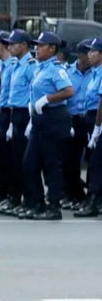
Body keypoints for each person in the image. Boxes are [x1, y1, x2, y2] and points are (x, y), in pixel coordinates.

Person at [18, 31, 74, 221]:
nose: (37, 49)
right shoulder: (41, 68)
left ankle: (53, 206)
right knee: (29, 163)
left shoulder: (56, 69)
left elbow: (68, 91)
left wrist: (48, 99)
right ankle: (37, 203)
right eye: (37, 45)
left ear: (52, 49)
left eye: (41, 46)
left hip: (54, 119)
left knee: (52, 164)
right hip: (39, 120)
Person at [3, 29, 36, 216]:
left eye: (13, 44)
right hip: (14, 114)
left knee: (25, 161)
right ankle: (16, 197)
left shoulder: (30, 65)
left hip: (25, 115)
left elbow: (33, 93)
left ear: (24, 45)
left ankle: (27, 198)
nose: (10, 47)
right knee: (14, 160)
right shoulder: (16, 64)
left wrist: (31, 120)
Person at [0, 30, 19, 213]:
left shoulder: (13, 65)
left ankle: (11, 195)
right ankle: (2, 192)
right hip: (0, 113)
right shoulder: (4, 65)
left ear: (2, 45)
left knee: (8, 158)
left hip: (10, 114)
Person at [63, 39, 91, 210]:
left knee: (92, 160)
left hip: (88, 120)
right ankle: (75, 195)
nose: (93, 56)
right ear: (81, 56)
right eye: (89, 53)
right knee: (70, 160)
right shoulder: (68, 72)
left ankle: (90, 197)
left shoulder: (95, 73)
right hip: (72, 120)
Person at [78, 39, 102, 217]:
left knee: (95, 164)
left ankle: (94, 201)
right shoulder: (95, 73)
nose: (89, 54)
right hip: (91, 119)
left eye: (93, 51)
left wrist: (97, 127)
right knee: (94, 161)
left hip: (98, 120)